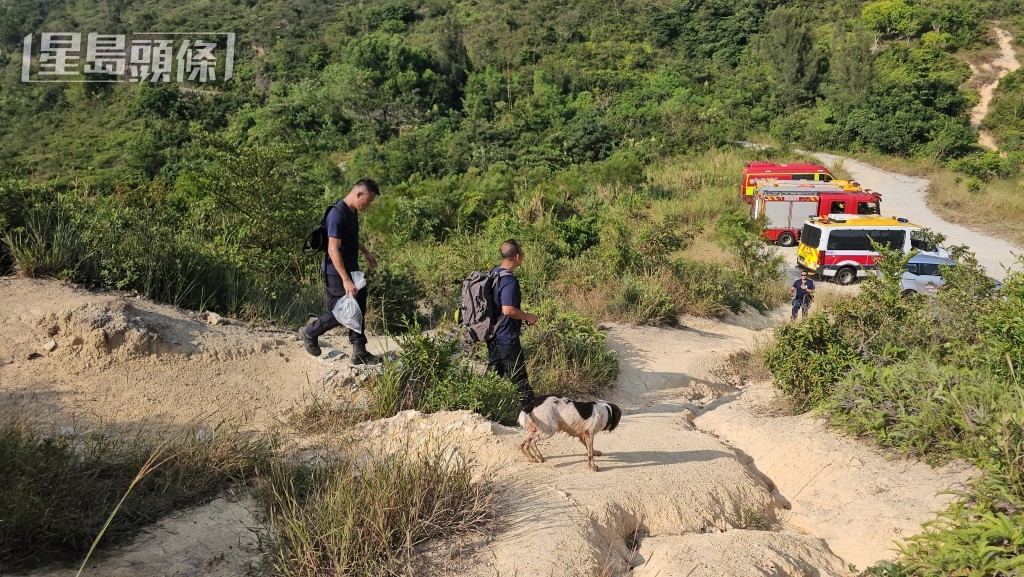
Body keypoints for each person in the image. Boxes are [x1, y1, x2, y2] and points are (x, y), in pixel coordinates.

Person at [299, 179, 381, 364]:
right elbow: (332, 249)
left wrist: (366, 252)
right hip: (336, 272)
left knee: (358, 305)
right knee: (342, 311)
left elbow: (351, 239)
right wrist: (345, 279)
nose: (368, 205)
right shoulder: (337, 214)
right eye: (368, 201)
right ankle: (309, 332)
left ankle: (359, 351)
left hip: (351, 269)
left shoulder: (352, 212)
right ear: (359, 194)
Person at [487, 239, 538, 408]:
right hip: (507, 338)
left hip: (493, 335)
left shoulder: (493, 273)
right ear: (517, 256)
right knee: (520, 379)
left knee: (492, 377)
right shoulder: (509, 280)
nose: (522, 257)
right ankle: (534, 416)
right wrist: (528, 316)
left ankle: (478, 409)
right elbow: (508, 309)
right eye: (522, 254)